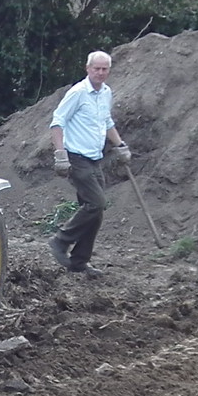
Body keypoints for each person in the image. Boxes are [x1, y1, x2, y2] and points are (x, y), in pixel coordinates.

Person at [48, 50, 131, 279]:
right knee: (96, 204)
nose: (101, 73)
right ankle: (60, 241)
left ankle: (79, 262)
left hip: (95, 158)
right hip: (76, 157)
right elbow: (57, 122)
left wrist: (120, 145)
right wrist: (60, 154)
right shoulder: (77, 93)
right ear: (88, 69)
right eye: (97, 68)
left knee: (96, 212)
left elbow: (106, 122)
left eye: (105, 69)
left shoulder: (106, 93)